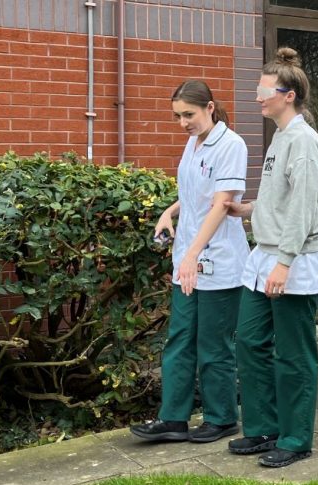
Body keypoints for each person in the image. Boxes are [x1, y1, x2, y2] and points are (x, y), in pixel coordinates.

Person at [223, 47, 318, 468]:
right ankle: (264, 428)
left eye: (264, 91)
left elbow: (304, 209)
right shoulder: (281, 139)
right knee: (250, 342)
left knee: (294, 353)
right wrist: (249, 210)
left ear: (288, 95)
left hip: (293, 260)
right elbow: (283, 201)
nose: (257, 98)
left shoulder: (303, 142)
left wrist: (285, 262)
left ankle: (296, 437)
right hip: (266, 256)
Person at [130, 80, 249, 445]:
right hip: (188, 260)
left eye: (189, 114)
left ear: (210, 108)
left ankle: (222, 418)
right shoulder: (193, 142)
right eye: (178, 116)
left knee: (213, 346)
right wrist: (168, 212)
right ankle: (173, 419)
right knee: (179, 340)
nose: (183, 122)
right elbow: (194, 194)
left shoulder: (231, 145)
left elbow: (221, 203)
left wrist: (193, 253)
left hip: (218, 262)